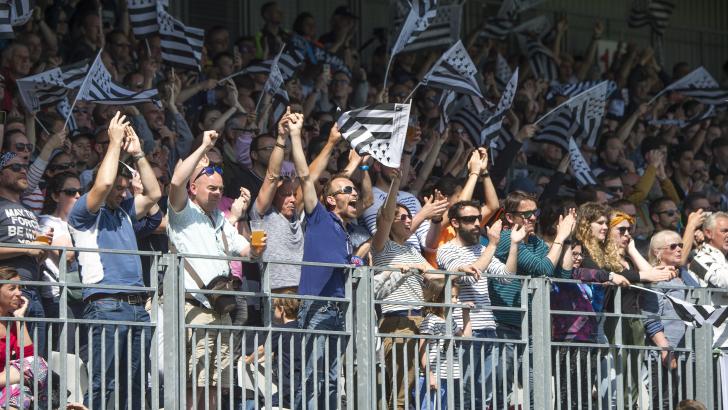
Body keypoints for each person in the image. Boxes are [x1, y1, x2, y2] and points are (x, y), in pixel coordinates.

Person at [67, 112, 161, 410]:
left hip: (136, 308)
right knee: (103, 383)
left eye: (124, 188)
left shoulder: (123, 211)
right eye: (117, 189)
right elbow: (104, 182)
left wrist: (139, 154)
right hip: (106, 304)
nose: (121, 193)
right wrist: (115, 142)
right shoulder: (83, 214)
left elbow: (155, 192)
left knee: (134, 385)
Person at [167, 128, 265, 410]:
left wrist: (257, 249)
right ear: (193, 188)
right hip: (193, 306)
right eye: (211, 188)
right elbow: (175, 180)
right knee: (194, 379)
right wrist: (204, 147)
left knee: (217, 382)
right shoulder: (181, 213)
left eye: (220, 189)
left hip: (221, 308)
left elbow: (246, 251)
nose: (217, 193)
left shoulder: (221, 221)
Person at [289, 111, 353, 409]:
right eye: (347, 190)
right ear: (330, 199)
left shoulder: (345, 233)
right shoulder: (319, 217)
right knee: (314, 375)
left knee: (329, 378)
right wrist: (295, 136)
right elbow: (305, 176)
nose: (354, 195)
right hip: (317, 307)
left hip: (338, 310)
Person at [490, 190, 576, 408]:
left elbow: (561, 276)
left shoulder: (536, 242)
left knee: (537, 388)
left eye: (535, 212)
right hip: (505, 325)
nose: (533, 218)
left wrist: (567, 240)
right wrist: (559, 237)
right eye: (526, 214)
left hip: (530, 326)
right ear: (510, 218)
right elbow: (542, 268)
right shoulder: (506, 239)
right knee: (501, 388)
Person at [436, 201, 523, 409]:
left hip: (488, 328)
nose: (476, 223)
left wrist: (514, 245)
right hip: (463, 329)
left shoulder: (482, 249)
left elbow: (506, 277)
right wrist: (492, 245)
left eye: (478, 218)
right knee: (464, 391)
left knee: (482, 392)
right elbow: (467, 278)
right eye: (469, 219)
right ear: (455, 223)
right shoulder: (446, 250)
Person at [370, 166, 439, 409]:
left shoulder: (412, 249)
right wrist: (395, 186)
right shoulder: (382, 247)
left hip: (418, 321)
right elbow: (385, 218)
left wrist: (453, 274)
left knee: (406, 388)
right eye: (403, 217)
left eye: (411, 217)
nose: (408, 220)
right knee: (400, 389)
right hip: (397, 320)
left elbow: (438, 280)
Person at [0, 151, 49, 357]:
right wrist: (27, 248)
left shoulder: (29, 211)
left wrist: (41, 251)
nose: (23, 171)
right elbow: (25, 248)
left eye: (25, 168)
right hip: (7, 295)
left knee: (37, 361)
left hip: (33, 292)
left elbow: (32, 252)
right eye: (16, 168)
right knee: (15, 359)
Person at [250, 109, 304, 293]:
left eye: (293, 195)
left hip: (303, 292)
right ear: (273, 198)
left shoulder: (297, 216)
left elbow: (307, 176)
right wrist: (281, 138)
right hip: (276, 293)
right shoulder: (263, 213)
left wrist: (296, 137)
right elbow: (272, 177)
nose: (292, 199)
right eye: (284, 195)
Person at [642, 230, 697, 408]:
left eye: (681, 245)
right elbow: (650, 317)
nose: (679, 249)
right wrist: (665, 348)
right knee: (664, 402)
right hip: (665, 353)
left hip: (689, 351)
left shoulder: (685, 274)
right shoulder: (656, 278)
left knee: (686, 402)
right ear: (658, 252)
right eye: (673, 246)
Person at [416, 277, 472, 410]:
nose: (455, 301)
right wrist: (430, 375)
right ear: (438, 298)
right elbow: (422, 349)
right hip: (433, 376)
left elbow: (466, 338)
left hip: (447, 375)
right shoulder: (431, 320)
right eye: (451, 297)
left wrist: (466, 313)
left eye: (456, 297)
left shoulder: (450, 322)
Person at [0, 266, 49, 410]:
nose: (19, 293)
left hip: (3, 386)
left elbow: (28, 359)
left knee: (24, 385)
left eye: (20, 288)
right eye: (12, 288)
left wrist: (19, 318)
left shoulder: (13, 322)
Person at [690, 212, 728, 304]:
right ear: (708, 233)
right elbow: (724, 281)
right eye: (724, 231)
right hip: (711, 316)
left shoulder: (724, 256)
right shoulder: (699, 257)